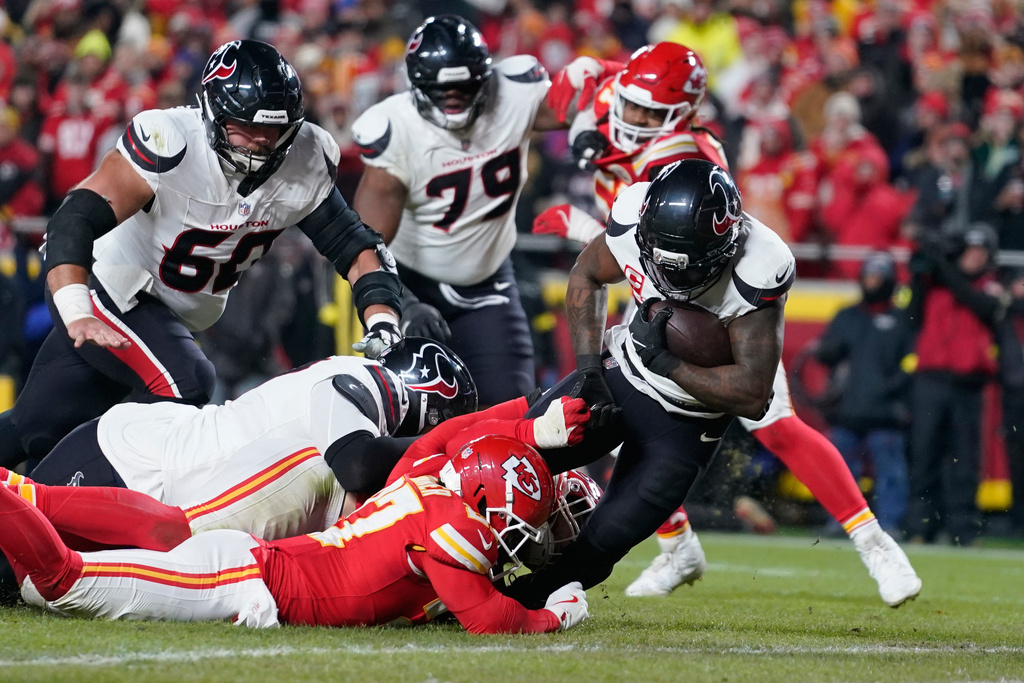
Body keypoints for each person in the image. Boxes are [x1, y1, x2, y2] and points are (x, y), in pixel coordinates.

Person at [538, 46, 922, 607]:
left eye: (647, 114)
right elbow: (553, 108)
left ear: (679, 114)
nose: (633, 118)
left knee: (775, 423)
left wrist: (580, 225)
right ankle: (678, 548)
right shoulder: (622, 95)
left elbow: (668, 244)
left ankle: (875, 544)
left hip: (708, 302)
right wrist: (585, 70)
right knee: (618, 418)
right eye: (630, 105)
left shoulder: (689, 155)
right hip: (649, 294)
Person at [0, 39, 405, 470]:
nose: (260, 143)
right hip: (106, 284)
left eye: (273, 130)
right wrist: (76, 308)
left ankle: (33, 499)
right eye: (246, 128)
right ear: (213, 110)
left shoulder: (304, 158)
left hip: (169, 314)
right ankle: (68, 494)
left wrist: (383, 321)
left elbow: (356, 247)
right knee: (186, 384)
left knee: (36, 425)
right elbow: (74, 219)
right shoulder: (171, 143)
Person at [0, 435, 590, 633]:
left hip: (250, 568)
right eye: (520, 525)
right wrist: (556, 614)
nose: (523, 539)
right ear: (485, 503)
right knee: (59, 582)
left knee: (75, 568)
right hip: (239, 583)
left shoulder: (430, 485)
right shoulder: (455, 525)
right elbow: (488, 621)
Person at [26, 338, 477, 541]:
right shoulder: (364, 381)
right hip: (134, 461)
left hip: (162, 491)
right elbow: (354, 461)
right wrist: (444, 442)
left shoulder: (360, 389)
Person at [350, 15, 568, 407]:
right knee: (407, 419)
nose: (454, 99)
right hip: (407, 284)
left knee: (510, 413)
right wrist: (404, 303)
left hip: (488, 285)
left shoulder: (516, 95)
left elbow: (593, 110)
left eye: (464, 88)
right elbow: (363, 247)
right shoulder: (398, 130)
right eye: (441, 90)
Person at [905, 224, 1004, 545]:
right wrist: (922, 267)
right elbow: (912, 313)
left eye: (981, 252)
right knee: (924, 455)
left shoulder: (991, 288)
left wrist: (941, 264)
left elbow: (981, 305)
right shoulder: (935, 284)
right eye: (969, 251)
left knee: (965, 460)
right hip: (930, 379)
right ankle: (920, 528)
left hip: (968, 385)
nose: (974, 258)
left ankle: (963, 530)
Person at [814, 253, 914, 535]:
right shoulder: (846, 316)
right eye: (868, 276)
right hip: (847, 410)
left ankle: (890, 523)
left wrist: (894, 391)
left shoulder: (901, 320)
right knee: (841, 473)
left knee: (891, 473)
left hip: (886, 412)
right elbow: (825, 355)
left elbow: (911, 363)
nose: (872, 283)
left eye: (878, 277)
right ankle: (840, 520)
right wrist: (827, 350)